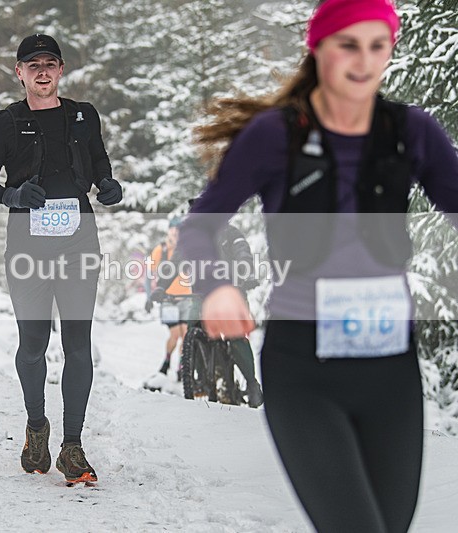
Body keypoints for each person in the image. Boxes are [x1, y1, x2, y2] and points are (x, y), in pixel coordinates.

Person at [178, 0, 458, 531]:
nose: (364, 60)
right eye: (348, 44)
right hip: (304, 369)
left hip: (390, 368)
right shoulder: (273, 136)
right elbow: (200, 226)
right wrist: (217, 287)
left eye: (379, 45)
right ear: (319, 48)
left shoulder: (410, 131)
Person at [0, 34, 122, 483]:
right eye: (32, 64)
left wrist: (109, 186)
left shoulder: (83, 116)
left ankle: (72, 447)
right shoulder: (6, 122)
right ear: (19, 73)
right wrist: (10, 194)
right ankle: (37, 427)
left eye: (50, 63)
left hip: (78, 238)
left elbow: (99, 166)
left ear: (60, 70)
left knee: (78, 345)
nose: (42, 71)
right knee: (33, 344)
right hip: (27, 241)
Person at [150, 206, 264, 407]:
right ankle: (199, 378)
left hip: (231, 291)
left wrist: (246, 273)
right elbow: (174, 264)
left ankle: (251, 383)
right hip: (202, 295)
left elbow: (243, 254)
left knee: (235, 334)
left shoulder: (231, 234)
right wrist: (160, 286)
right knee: (193, 327)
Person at [144, 216, 193, 379]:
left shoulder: (188, 249)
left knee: (187, 335)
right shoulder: (161, 250)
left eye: (179, 229)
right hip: (168, 299)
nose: (176, 232)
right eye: (174, 228)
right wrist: (149, 296)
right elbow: (149, 274)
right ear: (169, 230)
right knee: (175, 334)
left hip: (187, 298)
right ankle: (166, 362)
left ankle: (181, 366)